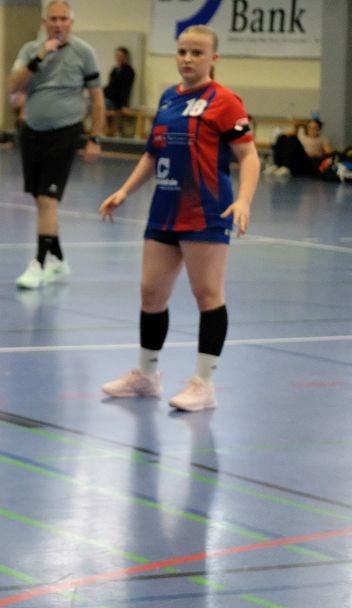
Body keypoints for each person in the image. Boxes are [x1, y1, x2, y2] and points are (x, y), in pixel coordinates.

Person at [98, 25, 259, 412]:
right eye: (183, 51)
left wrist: (244, 200)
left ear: (213, 58)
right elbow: (152, 154)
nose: (188, 58)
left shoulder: (225, 101)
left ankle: (204, 384)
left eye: (197, 53)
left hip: (206, 210)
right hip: (164, 209)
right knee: (151, 293)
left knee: (207, 295)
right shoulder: (169, 97)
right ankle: (146, 376)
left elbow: (249, 156)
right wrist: (125, 191)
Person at [7, 0, 105, 289]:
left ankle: (39, 263)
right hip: (32, 131)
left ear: (71, 23)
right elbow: (13, 86)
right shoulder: (30, 50)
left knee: (48, 199)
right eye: (53, 19)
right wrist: (39, 56)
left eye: (63, 19)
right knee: (40, 199)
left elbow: (97, 98)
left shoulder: (83, 52)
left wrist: (95, 138)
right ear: (44, 22)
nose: (58, 24)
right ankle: (58, 259)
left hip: (65, 132)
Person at [270, 118, 338, 178]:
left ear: (319, 129)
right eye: (310, 128)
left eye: (315, 128)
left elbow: (330, 155)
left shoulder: (323, 139)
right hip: (298, 159)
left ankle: (286, 167)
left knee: (293, 138)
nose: (312, 130)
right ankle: (276, 165)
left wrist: (317, 154)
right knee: (282, 137)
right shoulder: (302, 137)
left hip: (309, 162)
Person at [103, 46, 135, 112]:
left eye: (121, 56)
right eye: (117, 55)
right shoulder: (114, 70)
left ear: (125, 57)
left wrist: (124, 105)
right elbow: (110, 86)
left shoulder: (129, 71)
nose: (118, 58)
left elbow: (126, 89)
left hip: (117, 102)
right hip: (109, 98)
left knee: (102, 104)